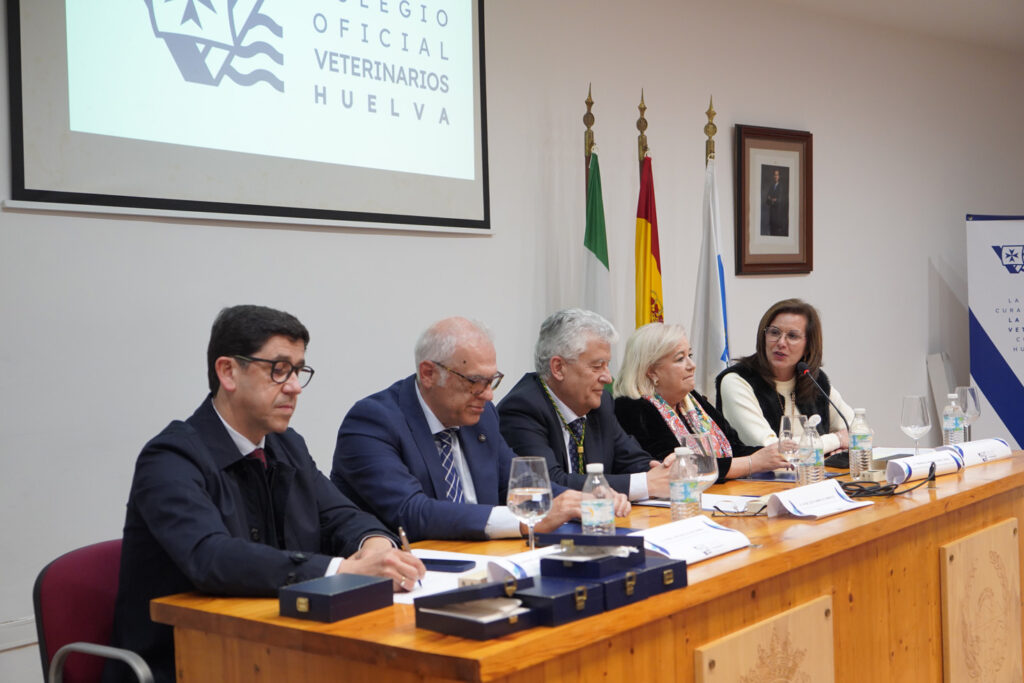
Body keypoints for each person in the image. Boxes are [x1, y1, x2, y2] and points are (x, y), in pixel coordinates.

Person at [104, 305, 424, 683]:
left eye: (298, 370)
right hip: (186, 660)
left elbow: (341, 515)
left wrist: (375, 546)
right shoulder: (171, 459)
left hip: (278, 646)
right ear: (228, 372)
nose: (293, 386)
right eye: (278, 369)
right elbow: (212, 557)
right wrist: (345, 570)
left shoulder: (287, 445)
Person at [332, 317, 601, 542]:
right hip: (414, 574)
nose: (488, 395)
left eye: (491, 381)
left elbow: (521, 485)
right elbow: (411, 513)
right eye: (475, 381)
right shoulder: (373, 422)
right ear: (428, 374)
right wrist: (521, 522)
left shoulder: (482, 417)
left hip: (487, 558)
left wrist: (584, 500)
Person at [498, 309, 673, 500]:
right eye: (597, 366)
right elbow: (549, 483)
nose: (607, 378)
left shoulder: (600, 404)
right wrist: (645, 485)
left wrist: (664, 470)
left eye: (607, 365)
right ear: (558, 368)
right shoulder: (522, 408)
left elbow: (631, 459)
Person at [613, 323, 788, 481]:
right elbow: (679, 466)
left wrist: (773, 453)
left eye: (690, 355)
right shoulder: (632, 408)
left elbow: (733, 449)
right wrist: (752, 463)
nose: (692, 365)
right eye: (680, 359)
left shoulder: (691, 399)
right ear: (652, 372)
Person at [715, 298, 854, 455]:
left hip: (814, 476)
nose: (781, 342)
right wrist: (836, 441)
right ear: (763, 336)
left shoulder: (813, 379)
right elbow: (774, 450)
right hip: (756, 479)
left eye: (793, 336)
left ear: (809, 346)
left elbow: (858, 430)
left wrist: (842, 446)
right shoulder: (737, 381)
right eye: (774, 332)